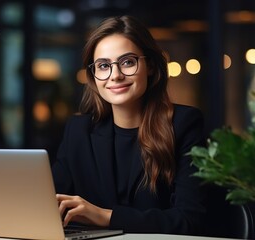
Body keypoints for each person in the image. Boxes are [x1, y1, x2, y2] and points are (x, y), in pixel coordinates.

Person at [51, 15, 207, 235]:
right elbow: (48, 204)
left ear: (150, 65)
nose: (115, 75)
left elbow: (189, 220)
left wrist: (105, 216)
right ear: (93, 75)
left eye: (127, 62)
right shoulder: (79, 131)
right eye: (103, 66)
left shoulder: (184, 124)